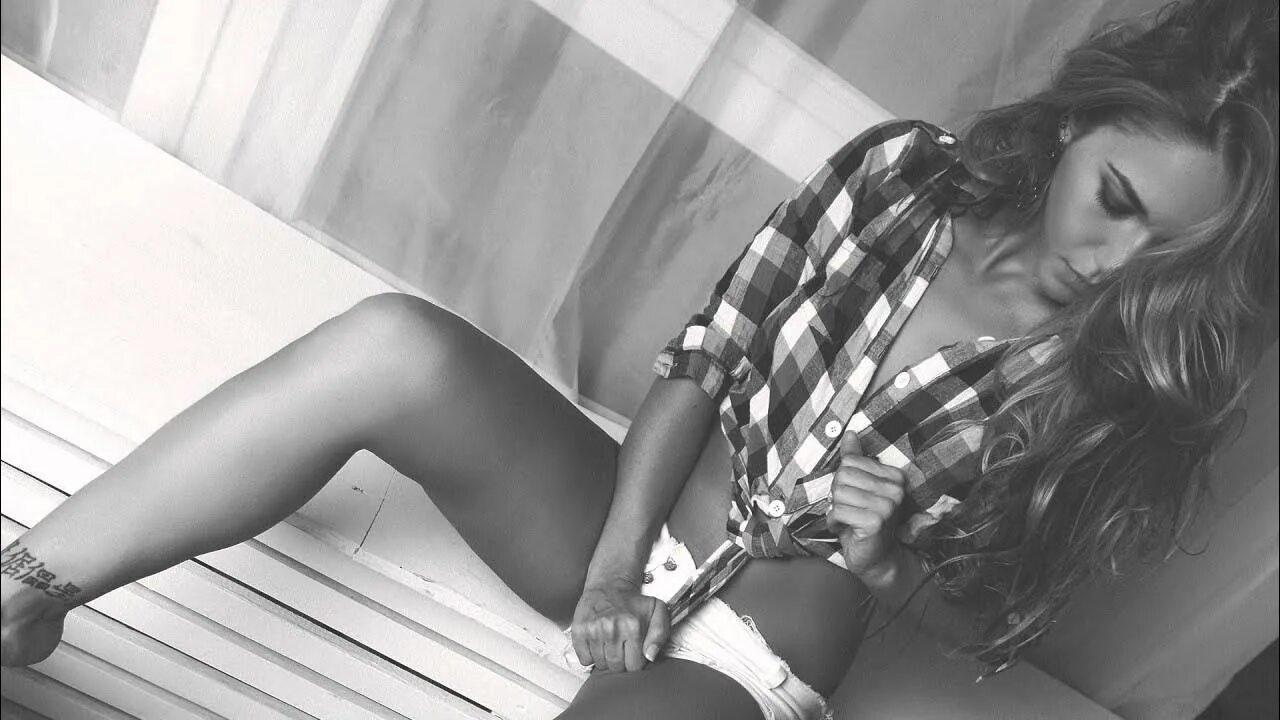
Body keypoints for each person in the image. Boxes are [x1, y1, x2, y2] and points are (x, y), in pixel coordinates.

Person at [2, 0, 1276, 717]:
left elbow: (994, 623)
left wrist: (889, 564)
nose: (1114, 263)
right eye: (1114, 200)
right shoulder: (901, 177)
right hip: (625, 533)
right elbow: (706, 357)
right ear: (1075, 122)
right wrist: (613, 572)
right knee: (393, 343)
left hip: (744, 656)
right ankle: (23, 597)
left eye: (1168, 255)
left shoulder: (1118, 385)